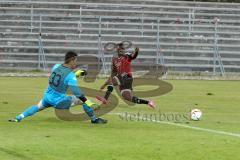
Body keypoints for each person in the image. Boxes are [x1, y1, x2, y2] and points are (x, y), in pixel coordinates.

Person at [9, 51, 107, 124]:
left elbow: (62, 78)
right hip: (59, 101)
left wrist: (76, 74)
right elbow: (77, 93)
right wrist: (89, 103)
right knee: (82, 100)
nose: (76, 63)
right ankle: (94, 119)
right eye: (76, 61)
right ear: (72, 60)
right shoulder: (70, 76)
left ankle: (18, 117)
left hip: (47, 97)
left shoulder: (56, 67)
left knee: (37, 107)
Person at [96, 43, 156, 108]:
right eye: (120, 49)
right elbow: (113, 72)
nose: (121, 50)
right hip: (122, 79)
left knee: (114, 80)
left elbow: (133, 56)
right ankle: (148, 102)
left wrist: (136, 52)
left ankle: (105, 98)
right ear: (117, 50)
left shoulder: (126, 56)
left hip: (127, 77)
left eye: (122, 49)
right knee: (127, 97)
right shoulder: (114, 59)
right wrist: (105, 84)